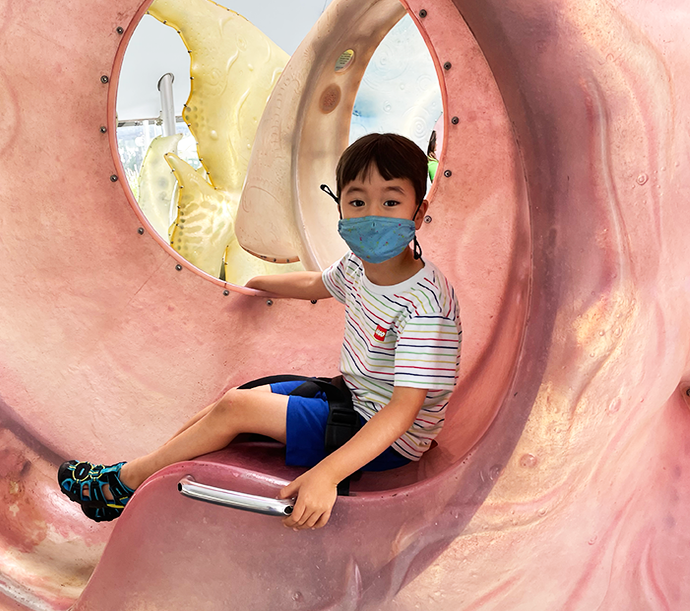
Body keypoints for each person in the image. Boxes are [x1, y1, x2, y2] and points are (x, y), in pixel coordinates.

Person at [58, 133, 461, 530]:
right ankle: (141, 476)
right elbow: (316, 285)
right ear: (340, 208)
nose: (372, 216)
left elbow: (403, 410)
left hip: (390, 439)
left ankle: (121, 485)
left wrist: (328, 475)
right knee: (228, 404)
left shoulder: (425, 306)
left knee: (238, 409)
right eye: (357, 202)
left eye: (390, 202)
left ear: (418, 211)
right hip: (352, 398)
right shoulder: (359, 268)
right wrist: (259, 282)